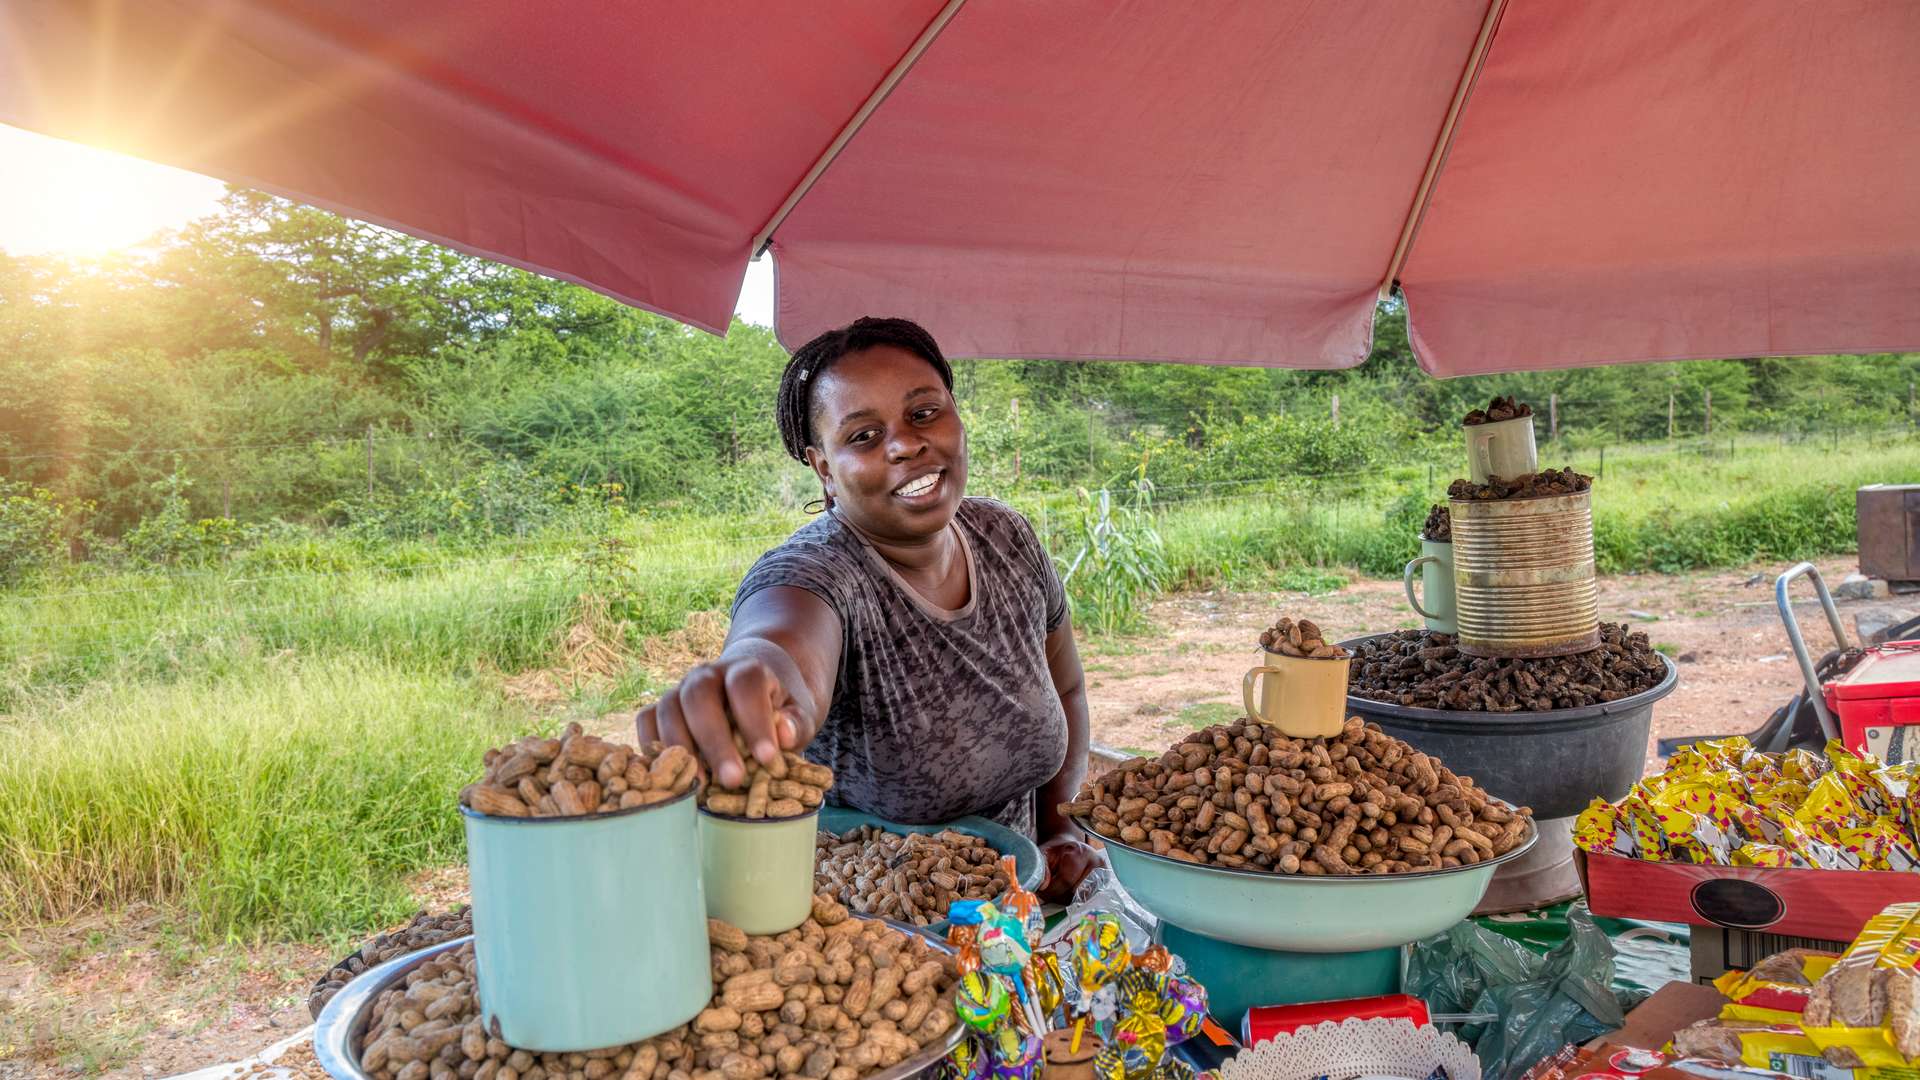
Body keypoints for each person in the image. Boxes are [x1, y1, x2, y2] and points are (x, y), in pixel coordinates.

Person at [638, 316, 1099, 902]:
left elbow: (1068, 690)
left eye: (924, 413)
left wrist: (1057, 832)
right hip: (881, 930)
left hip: (1019, 914)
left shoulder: (1006, 537)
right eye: (863, 436)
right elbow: (780, 640)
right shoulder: (817, 573)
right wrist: (751, 680)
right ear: (824, 469)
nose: (905, 443)